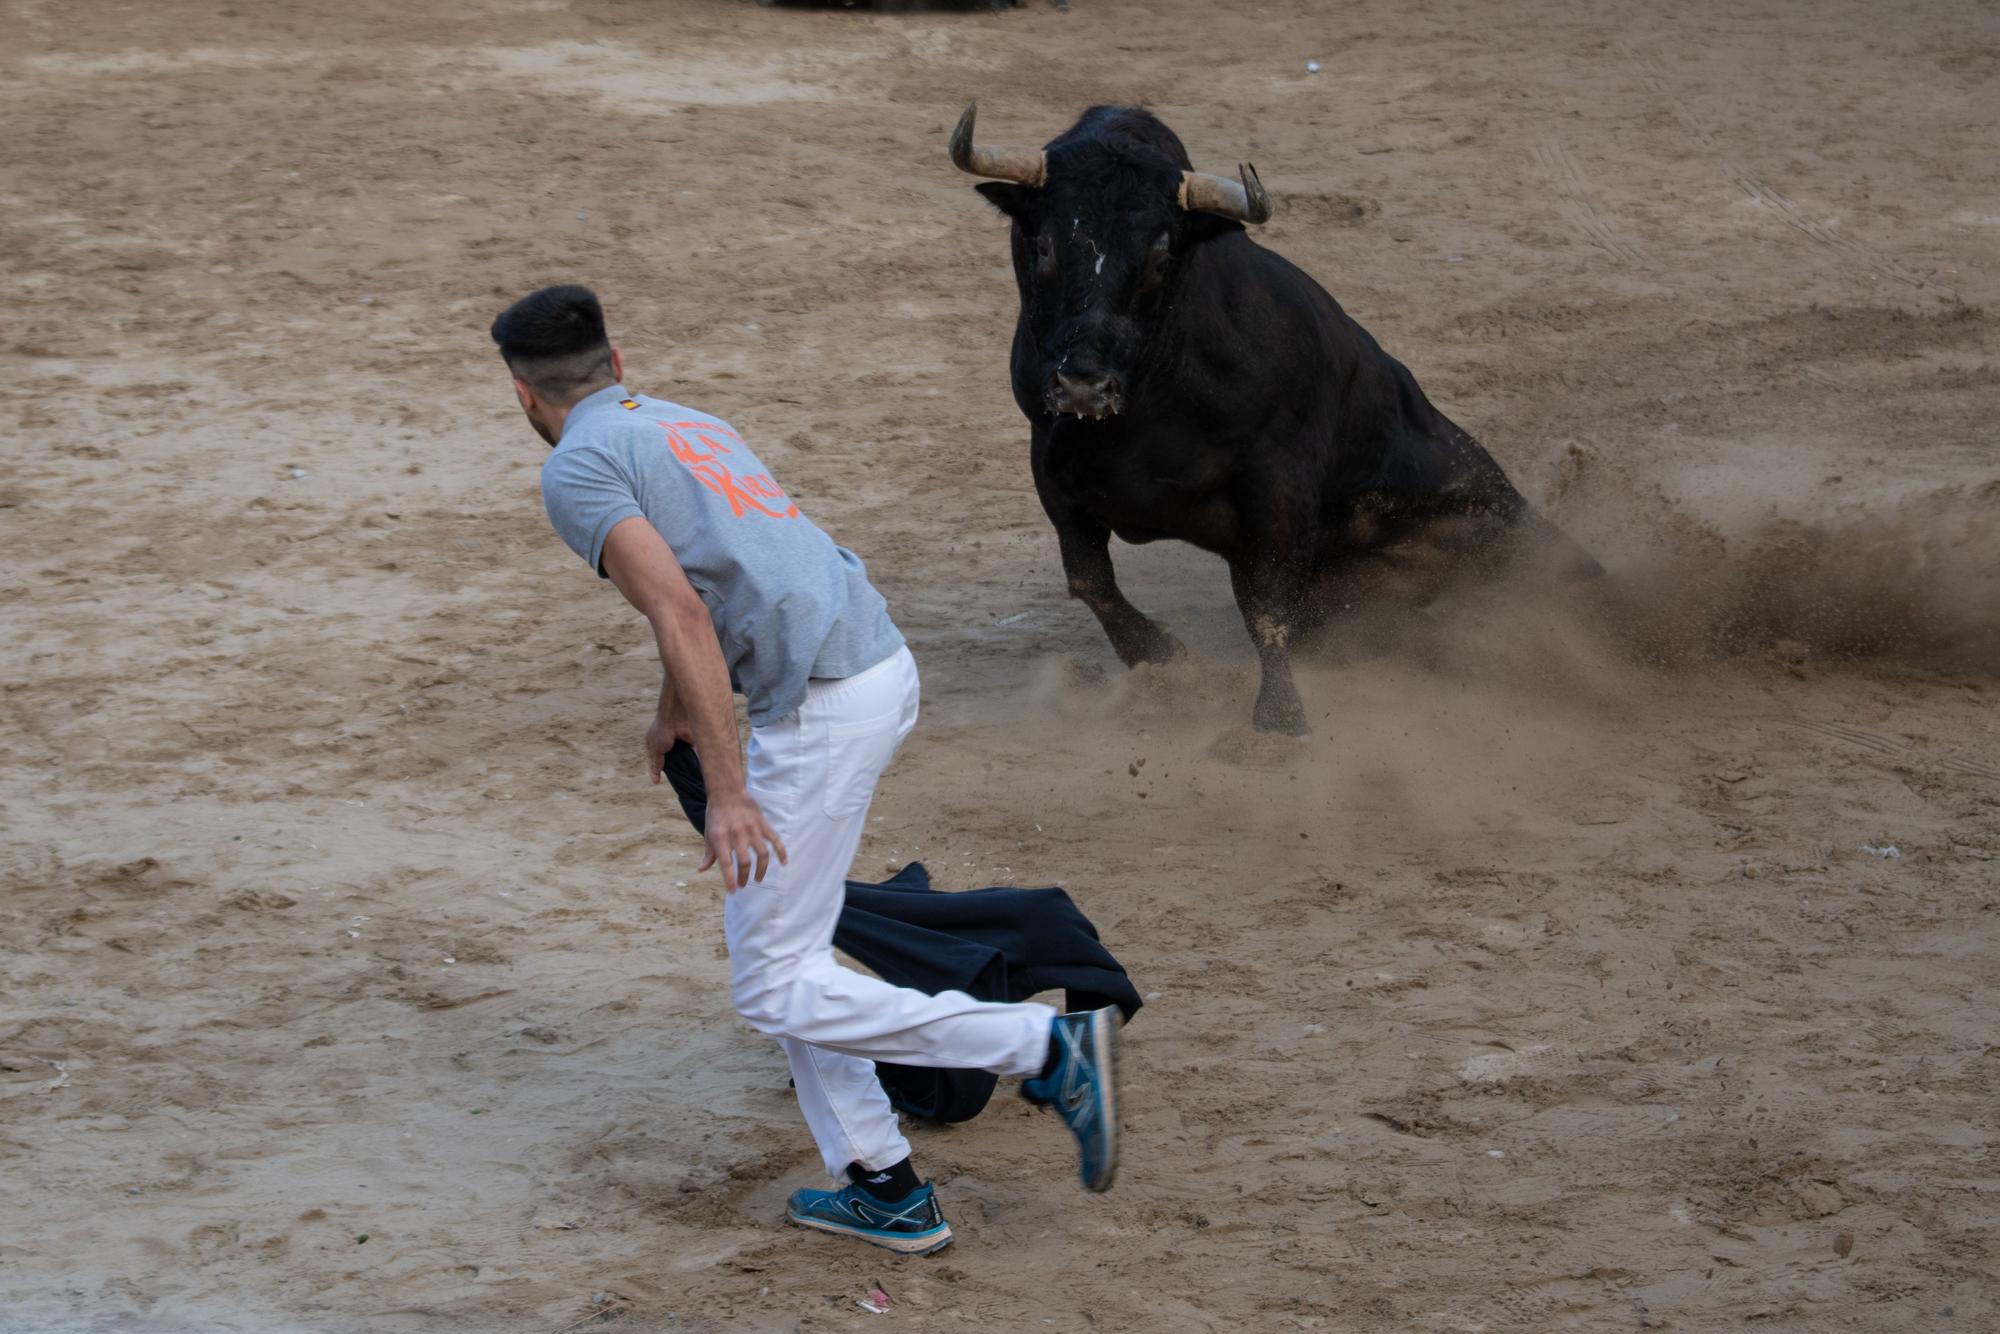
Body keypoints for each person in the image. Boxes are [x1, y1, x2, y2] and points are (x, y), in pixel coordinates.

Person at [490, 285, 1121, 1255]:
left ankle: (1042, 1047)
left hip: (824, 703)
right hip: (873, 659)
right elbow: (722, 572)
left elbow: (682, 614)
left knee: (772, 984)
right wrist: (674, 711)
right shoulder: (681, 420)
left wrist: (731, 789)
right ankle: (881, 1181)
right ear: (617, 365)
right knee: (784, 948)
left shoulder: (576, 467)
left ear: (525, 399)